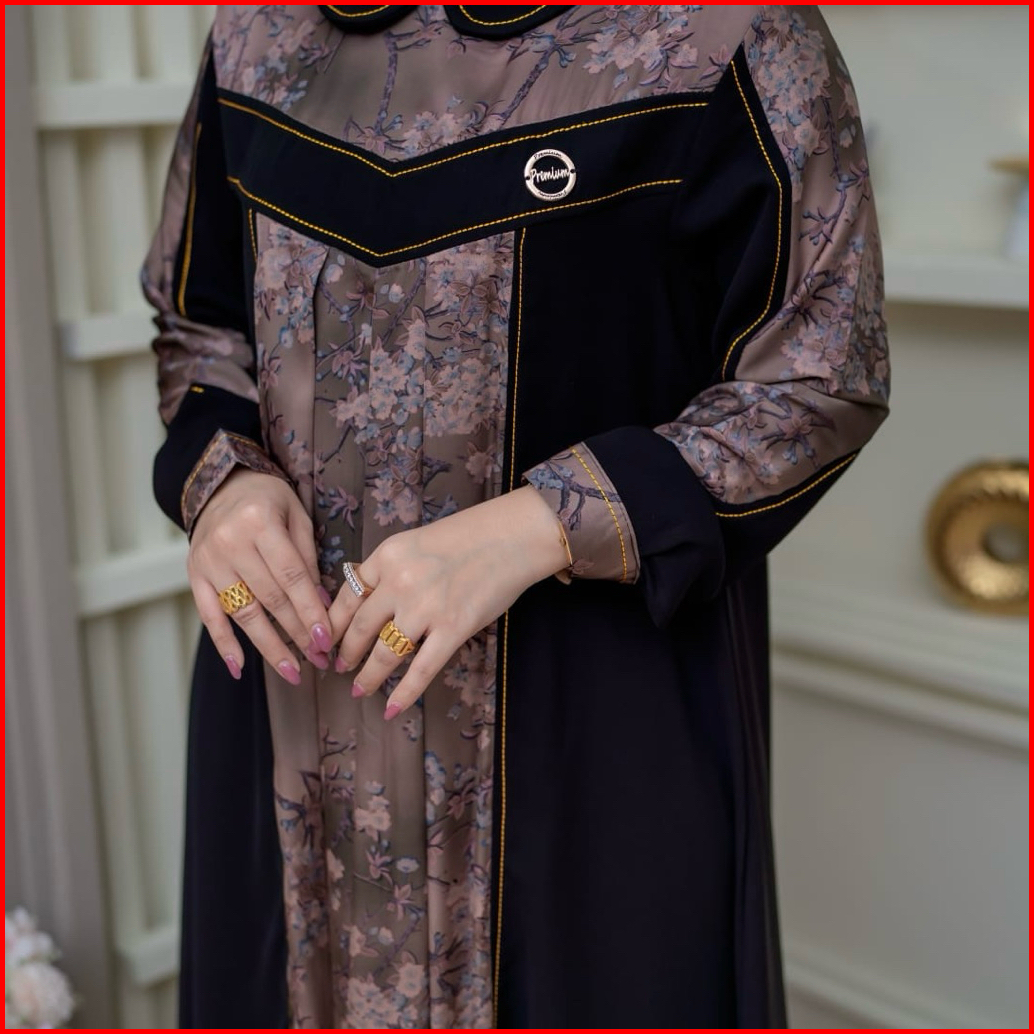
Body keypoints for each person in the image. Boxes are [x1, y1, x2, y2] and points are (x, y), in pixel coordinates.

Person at [144, 5, 889, 1028]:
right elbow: (198, 322)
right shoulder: (258, 35)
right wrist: (221, 480)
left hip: (590, 720)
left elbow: (818, 378)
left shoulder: (725, 35)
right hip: (290, 692)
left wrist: (541, 524)